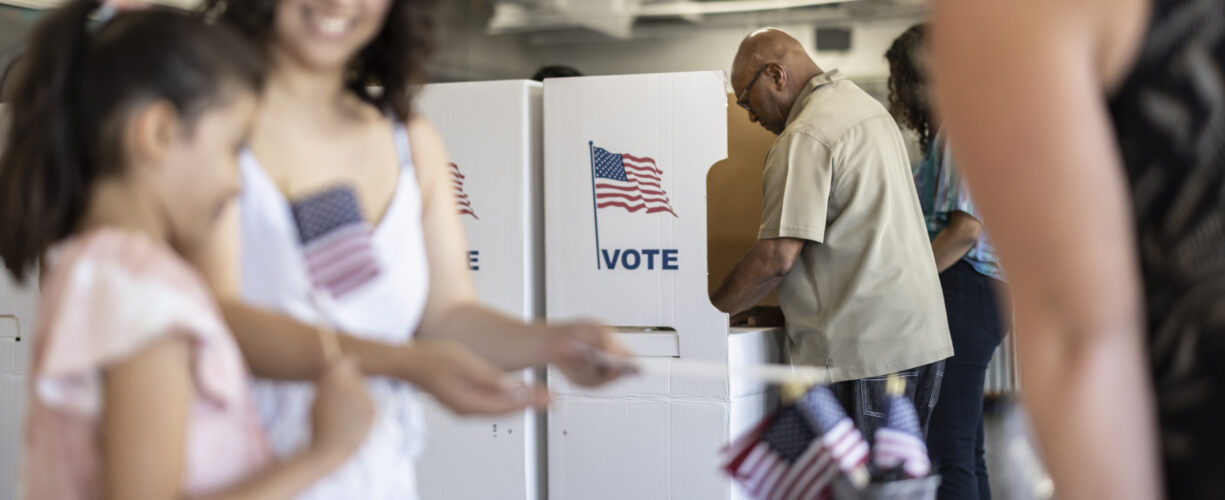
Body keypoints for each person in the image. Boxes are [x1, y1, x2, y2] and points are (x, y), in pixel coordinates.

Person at [198, 1, 632, 498]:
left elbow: (446, 315)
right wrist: (406, 363)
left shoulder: (411, 140)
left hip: (375, 474)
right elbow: (221, 319)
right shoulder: (210, 128)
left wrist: (554, 342)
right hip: (252, 471)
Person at [0, 2, 375, 498]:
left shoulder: (87, 267)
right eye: (233, 147)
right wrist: (324, 453)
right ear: (159, 133)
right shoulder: (146, 293)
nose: (237, 184)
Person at [930, 0, 1225, 497]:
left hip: (972, 283)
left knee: (953, 435)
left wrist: (913, 278)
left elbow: (1081, 344)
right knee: (960, 434)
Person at [712, 28, 952, 440]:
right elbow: (864, 240)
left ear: (776, 75)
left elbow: (776, 257)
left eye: (750, 104)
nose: (753, 118)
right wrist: (794, 312)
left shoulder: (805, 133)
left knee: (858, 488)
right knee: (895, 484)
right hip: (918, 343)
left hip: (864, 357)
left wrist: (709, 314)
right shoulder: (866, 110)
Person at [886, 23, 1008, 500]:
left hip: (967, 287)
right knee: (965, 448)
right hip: (979, 291)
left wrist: (906, 284)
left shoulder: (965, 123)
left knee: (948, 449)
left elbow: (964, 229)